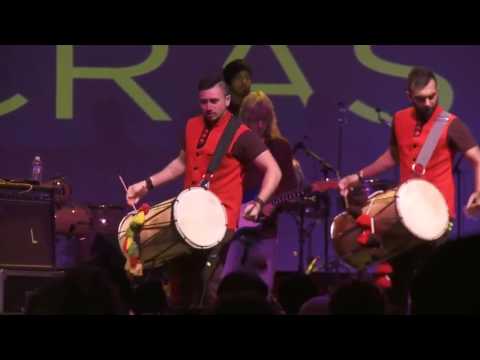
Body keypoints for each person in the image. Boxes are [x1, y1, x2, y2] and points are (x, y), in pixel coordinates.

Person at [126, 74, 282, 309]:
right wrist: (147, 184)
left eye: (214, 101)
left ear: (227, 100)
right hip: (189, 219)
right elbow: (181, 163)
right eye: (204, 102)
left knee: (207, 289)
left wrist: (259, 202)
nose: (208, 107)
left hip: (219, 222)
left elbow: (274, 170)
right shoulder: (192, 125)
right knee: (179, 287)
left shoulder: (241, 135)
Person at [338, 66, 480, 314]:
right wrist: (358, 175)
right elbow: (393, 156)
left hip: (437, 216)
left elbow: (477, 158)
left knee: (429, 281)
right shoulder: (400, 119)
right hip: (405, 214)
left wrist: (479, 192)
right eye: (421, 98)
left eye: (432, 96)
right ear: (408, 95)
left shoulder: (450, 124)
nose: (428, 102)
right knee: (398, 281)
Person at [221, 90, 298, 295]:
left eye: (264, 120)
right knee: (227, 285)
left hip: (265, 232)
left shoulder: (280, 147)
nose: (260, 126)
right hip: (232, 229)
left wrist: (272, 204)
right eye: (254, 120)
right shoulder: (234, 146)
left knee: (263, 288)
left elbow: (291, 189)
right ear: (244, 118)